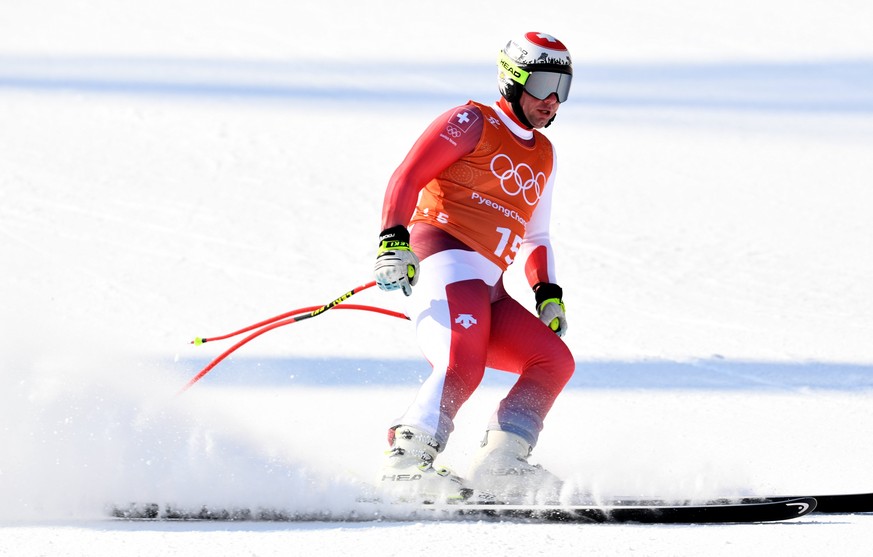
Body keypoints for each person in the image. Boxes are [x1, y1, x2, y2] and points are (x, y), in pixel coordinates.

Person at [373, 32, 576, 503]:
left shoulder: (543, 153)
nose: (551, 100)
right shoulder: (470, 121)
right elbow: (408, 176)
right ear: (512, 78)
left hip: (489, 284)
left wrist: (548, 293)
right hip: (444, 256)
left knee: (552, 361)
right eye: (543, 83)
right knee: (461, 360)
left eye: (561, 88)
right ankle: (406, 460)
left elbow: (537, 235)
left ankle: (501, 463)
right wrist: (392, 241)